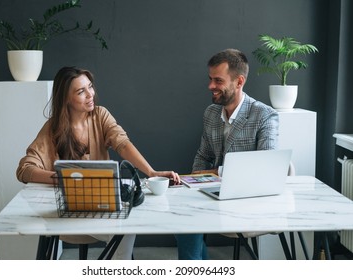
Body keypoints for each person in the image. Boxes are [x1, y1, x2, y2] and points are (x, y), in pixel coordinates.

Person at [16, 66, 180, 260]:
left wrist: (151, 172)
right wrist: (62, 178)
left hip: (101, 209)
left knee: (127, 227)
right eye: (81, 91)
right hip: (67, 213)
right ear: (66, 98)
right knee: (124, 232)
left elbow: (122, 144)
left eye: (90, 87)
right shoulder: (53, 128)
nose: (90, 94)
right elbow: (24, 169)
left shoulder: (100, 115)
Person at [175, 49, 279, 260]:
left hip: (247, 200)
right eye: (210, 79)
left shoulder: (265, 116)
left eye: (218, 80)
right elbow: (203, 156)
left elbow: (266, 169)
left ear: (239, 82)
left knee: (188, 218)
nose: (210, 86)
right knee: (180, 212)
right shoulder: (211, 113)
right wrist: (193, 182)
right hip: (211, 193)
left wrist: (217, 172)